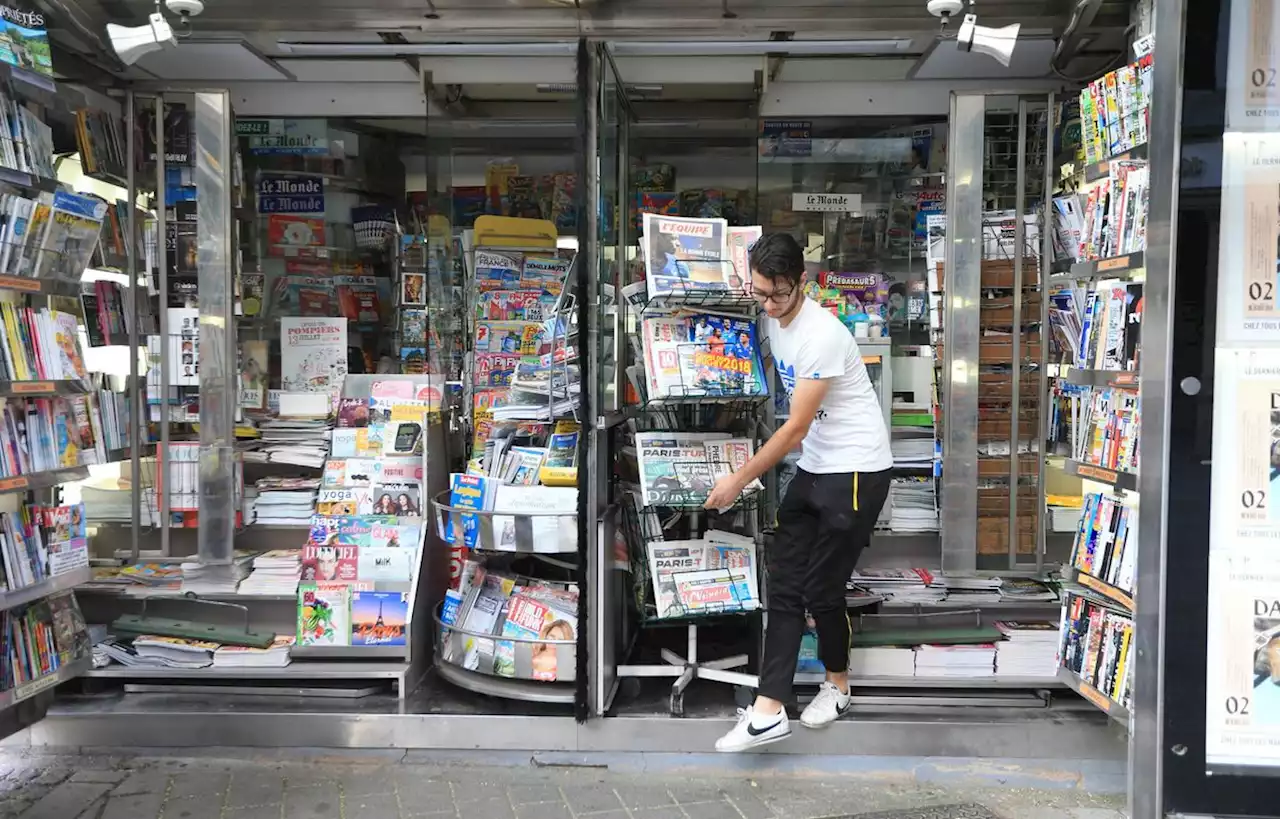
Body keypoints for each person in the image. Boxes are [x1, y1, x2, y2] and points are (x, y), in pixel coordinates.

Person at [703, 232, 893, 753]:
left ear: (800, 284)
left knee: (821, 589)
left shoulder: (822, 335)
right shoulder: (772, 317)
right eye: (759, 293)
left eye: (778, 295)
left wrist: (737, 478)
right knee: (783, 582)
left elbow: (793, 431)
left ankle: (838, 684)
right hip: (817, 467)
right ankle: (769, 710)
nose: (768, 304)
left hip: (856, 470)